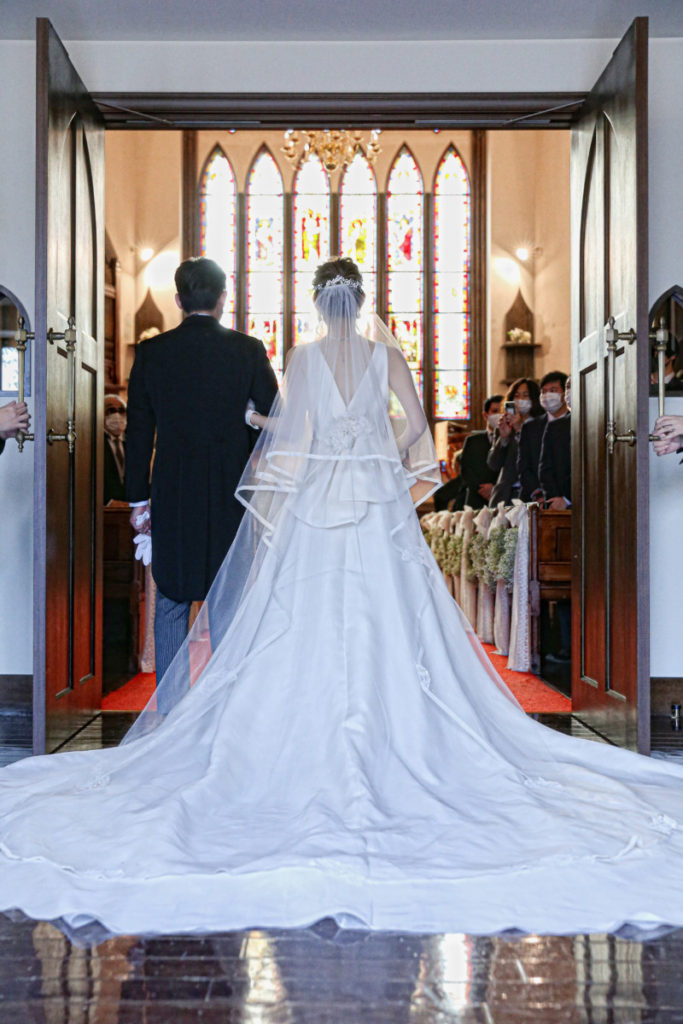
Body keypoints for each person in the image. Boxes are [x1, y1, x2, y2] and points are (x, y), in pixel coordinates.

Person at [4, 259, 683, 939]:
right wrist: (374, 448)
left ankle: (264, 737)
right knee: (388, 614)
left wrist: (263, 423)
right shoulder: (386, 356)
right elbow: (416, 431)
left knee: (302, 616)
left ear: (317, 303)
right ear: (361, 304)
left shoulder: (302, 358)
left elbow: (290, 435)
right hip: (373, 498)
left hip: (317, 503)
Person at [125, 257, 278, 687]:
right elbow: (277, 416)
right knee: (227, 600)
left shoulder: (152, 353)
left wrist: (138, 499)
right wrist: (245, 421)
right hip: (232, 491)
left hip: (173, 492)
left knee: (172, 599)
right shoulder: (248, 350)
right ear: (224, 298)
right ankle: (224, 705)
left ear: (178, 300)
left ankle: (171, 711)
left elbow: (139, 431)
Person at [487, 378, 542, 506]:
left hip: (531, 494)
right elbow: (493, 464)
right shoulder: (504, 426)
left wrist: (519, 430)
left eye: (525, 395)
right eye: (516, 396)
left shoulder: (541, 426)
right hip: (505, 495)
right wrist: (503, 439)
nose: (520, 399)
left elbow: (536, 458)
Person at [518, 370, 568, 502]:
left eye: (553, 390)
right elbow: (524, 466)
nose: (547, 395)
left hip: (568, 497)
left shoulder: (576, 423)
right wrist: (537, 492)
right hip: (535, 499)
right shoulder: (530, 427)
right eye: (544, 391)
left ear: (565, 394)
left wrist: (563, 497)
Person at [457, 393, 502, 509]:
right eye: (495, 411)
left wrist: (494, 488)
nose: (499, 415)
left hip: (502, 498)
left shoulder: (512, 440)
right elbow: (466, 469)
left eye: (502, 411)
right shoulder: (472, 441)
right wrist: (482, 489)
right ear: (485, 415)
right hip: (476, 499)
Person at [539, 376, 572, 510]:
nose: (570, 391)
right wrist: (555, 499)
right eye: (568, 387)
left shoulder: (599, 423)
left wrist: (568, 499)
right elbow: (545, 468)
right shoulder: (555, 426)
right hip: (557, 503)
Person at [103, 394, 127, 504]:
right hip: (103, 507)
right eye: (110, 410)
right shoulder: (93, 444)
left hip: (130, 506)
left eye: (121, 410)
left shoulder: (135, 443)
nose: (117, 415)